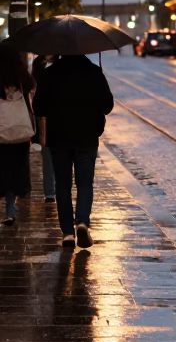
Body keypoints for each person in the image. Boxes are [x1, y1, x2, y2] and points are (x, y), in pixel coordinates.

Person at [33, 54, 114, 249]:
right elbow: (108, 106)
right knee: (85, 183)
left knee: (62, 185)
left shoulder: (49, 74)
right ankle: (82, 222)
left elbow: (38, 107)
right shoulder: (93, 72)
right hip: (86, 137)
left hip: (58, 137)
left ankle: (68, 233)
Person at [0, 40, 35, 227]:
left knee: (2, 168)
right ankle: (11, 208)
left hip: (0, 130)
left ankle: (7, 205)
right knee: (16, 168)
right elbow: (31, 85)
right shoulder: (21, 74)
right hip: (19, 130)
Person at [32, 55, 57, 202]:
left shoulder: (41, 69)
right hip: (56, 123)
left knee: (48, 158)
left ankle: (50, 192)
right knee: (57, 158)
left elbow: (37, 105)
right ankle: (54, 190)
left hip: (46, 123)